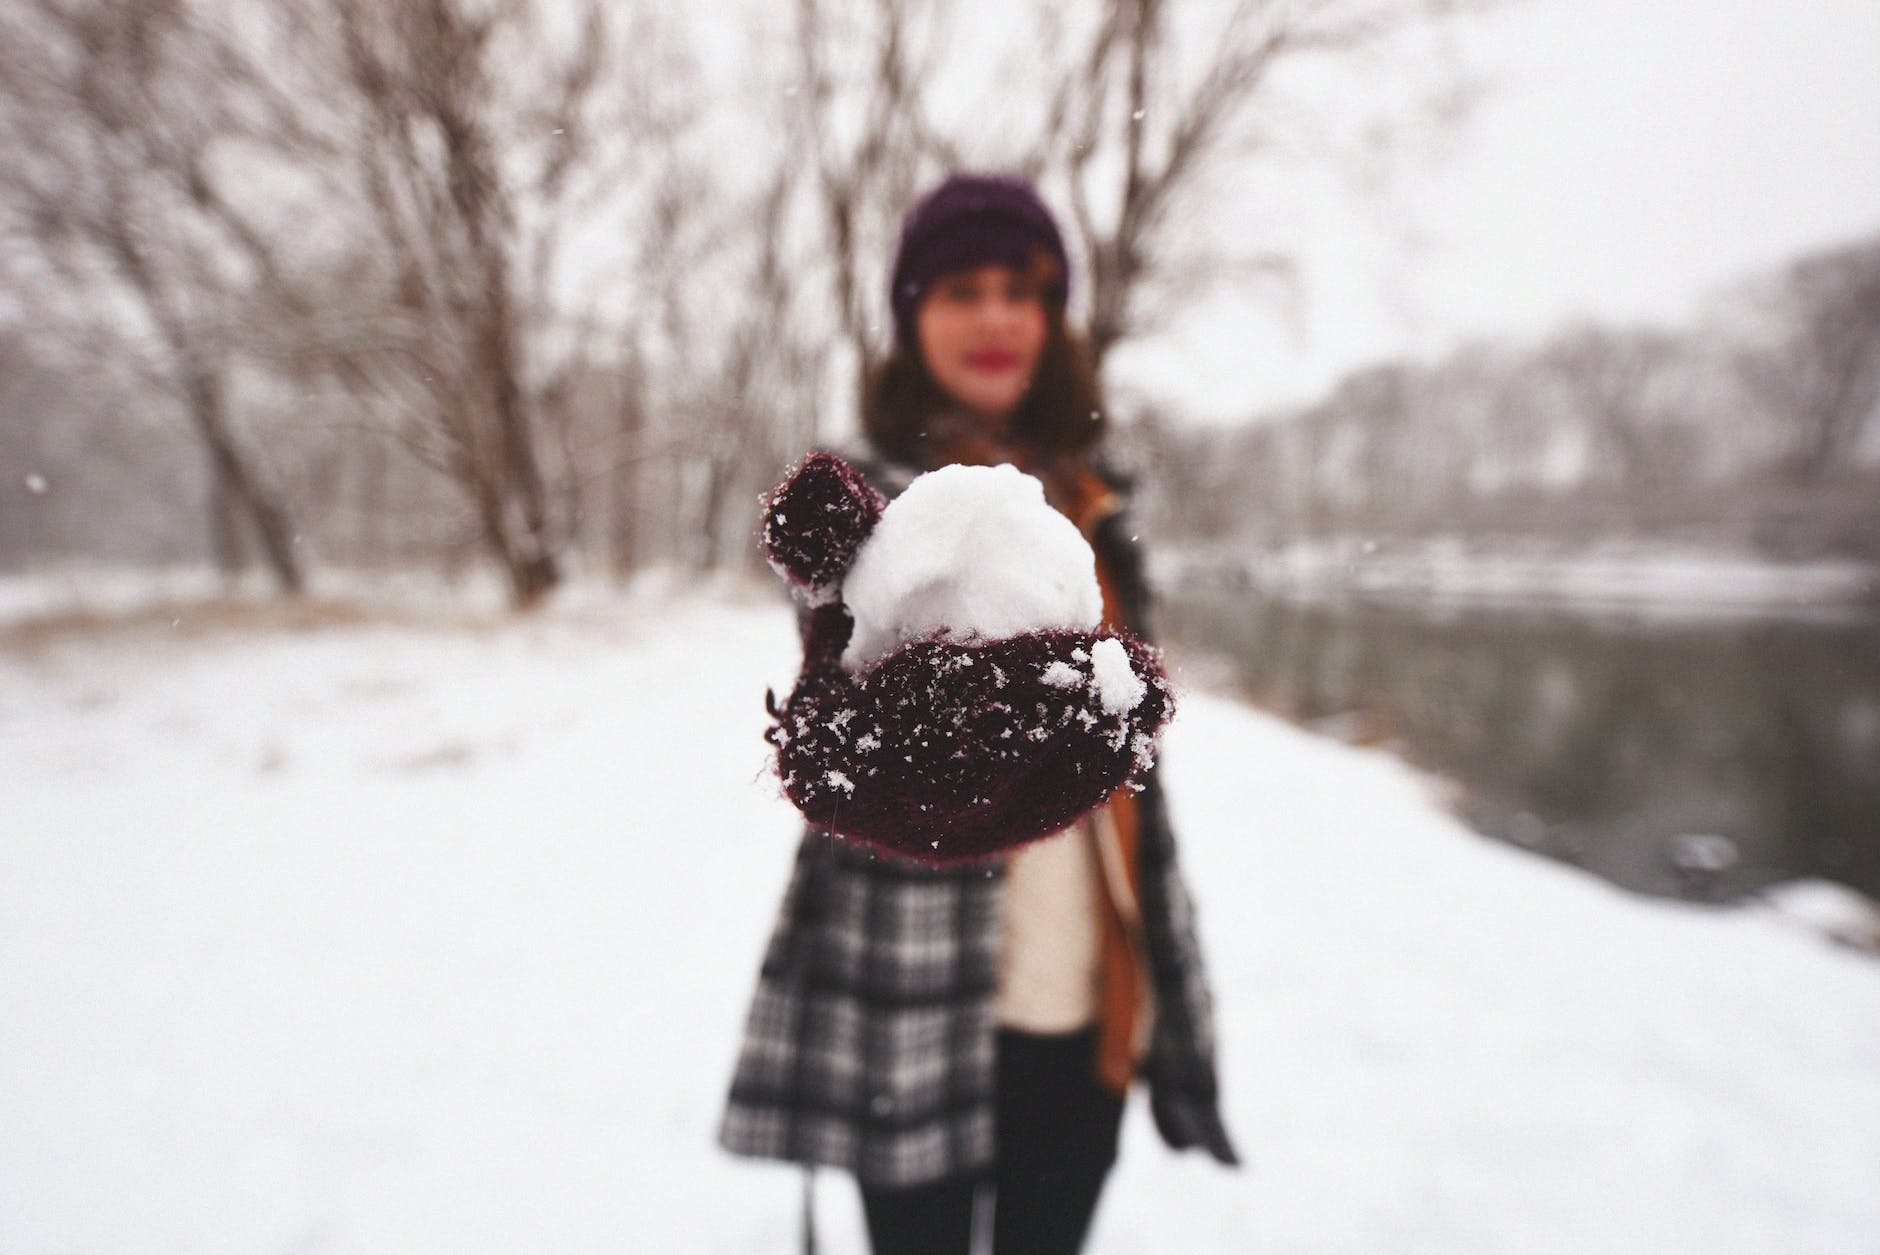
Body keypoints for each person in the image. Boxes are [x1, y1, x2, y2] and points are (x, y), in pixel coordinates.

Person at [720, 173, 1237, 1255]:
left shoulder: (1092, 501)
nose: (997, 315)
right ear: (912, 316)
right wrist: (855, 712)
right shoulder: (866, 504)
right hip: (901, 997)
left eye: (1022, 287)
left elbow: (1136, 776)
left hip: (1082, 986)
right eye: (961, 288)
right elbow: (828, 672)